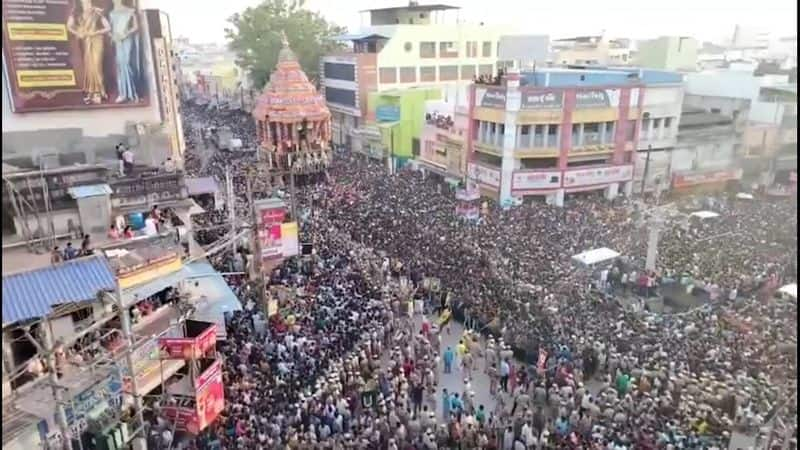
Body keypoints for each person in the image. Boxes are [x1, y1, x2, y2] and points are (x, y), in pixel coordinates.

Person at [66, 0, 111, 104]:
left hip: (97, 40)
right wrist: (78, 33)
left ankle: (99, 92)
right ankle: (91, 92)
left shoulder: (96, 12)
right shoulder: (77, 13)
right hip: (86, 42)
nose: (87, 2)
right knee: (90, 67)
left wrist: (95, 32)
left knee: (96, 66)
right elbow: (69, 26)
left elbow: (108, 28)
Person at [109, 0, 140, 103]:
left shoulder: (131, 11)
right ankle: (123, 94)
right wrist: (113, 37)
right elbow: (109, 30)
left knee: (127, 63)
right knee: (120, 65)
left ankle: (133, 93)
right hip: (118, 40)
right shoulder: (111, 13)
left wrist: (125, 34)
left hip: (127, 39)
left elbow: (136, 27)